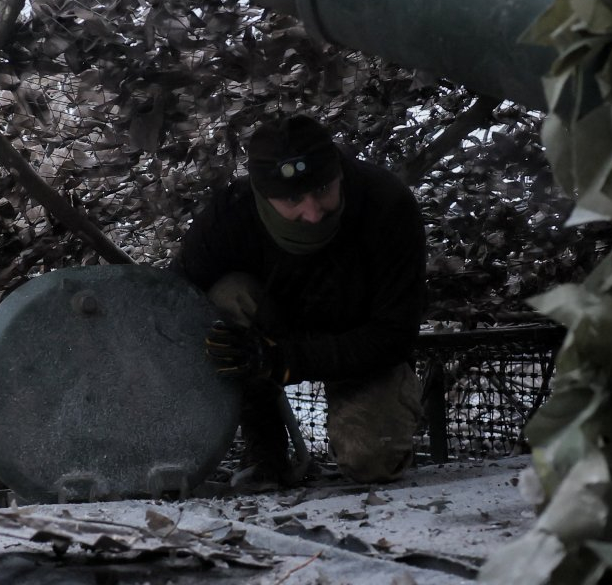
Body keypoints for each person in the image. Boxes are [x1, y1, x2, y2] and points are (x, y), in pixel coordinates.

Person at [175, 113, 426, 485]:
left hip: (363, 347)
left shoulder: (387, 205)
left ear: (340, 172)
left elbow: (396, 333)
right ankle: (264, 448)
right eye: (292, 198)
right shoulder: (229, 216)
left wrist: (285, 360)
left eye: (323, 189)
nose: (312, 213)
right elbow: (173, 300)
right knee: (225, 297)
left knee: (370, 459)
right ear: (263, 194)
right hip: (270, 330)